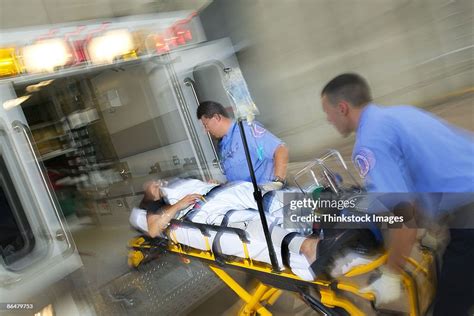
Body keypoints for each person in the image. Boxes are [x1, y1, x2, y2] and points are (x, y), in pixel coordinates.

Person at [320, 73, 474, 314]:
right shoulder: (400, 114)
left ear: (342, 108)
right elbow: (423, 174)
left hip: (469, 213)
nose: (328, 120)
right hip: (464, 205)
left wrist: (392, 275)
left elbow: (404, 218)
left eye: (327, 113)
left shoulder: (369, 142)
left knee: (449, 308)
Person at [196, 101, 289, 190]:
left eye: (206, 125)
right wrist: (221, 186)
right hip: (247, 198)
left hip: (266, 194)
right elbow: (239, 178)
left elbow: (280, 150)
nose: (206, 130)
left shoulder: (245, 130)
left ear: (216, 117)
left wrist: (277, 182)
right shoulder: (223, 146)